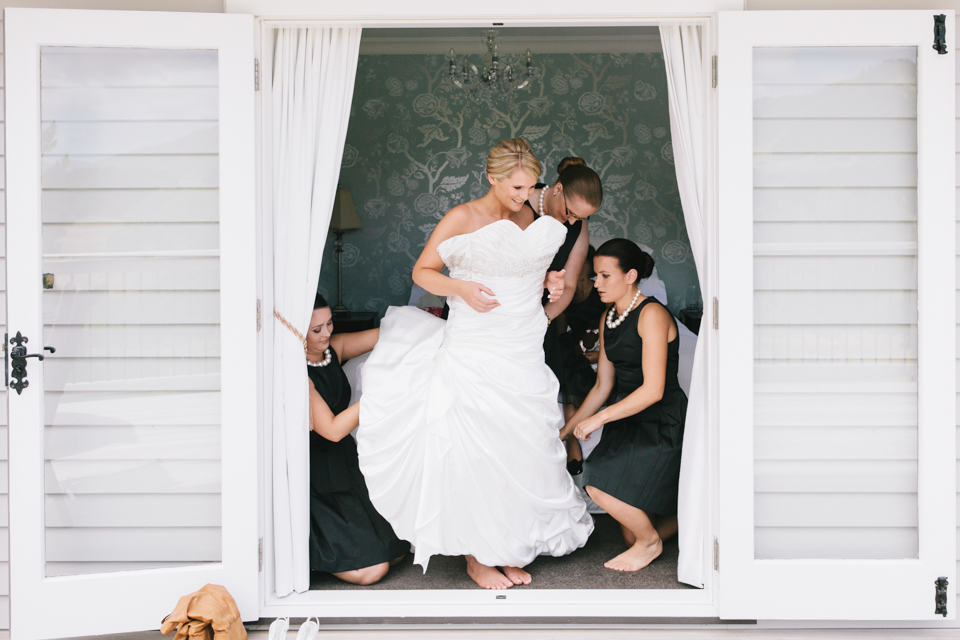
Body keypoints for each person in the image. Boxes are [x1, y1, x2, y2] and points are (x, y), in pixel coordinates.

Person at [357, 138, 594, 590]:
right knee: (475, 447)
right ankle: (475, 558)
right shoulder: (462, 217)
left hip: (522, 345)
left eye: (529, 188)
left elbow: (522, 268)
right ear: (493, 178)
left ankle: (505, 546)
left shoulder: (529, 215)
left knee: (517, 448)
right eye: (517, 187)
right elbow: (422, 272)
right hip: (476, 346)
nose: (524, 197)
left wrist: (547, 278)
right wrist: (462, 289)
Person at [560, 239, 687, 572]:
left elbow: (653, 390)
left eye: (604, 276)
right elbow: (603, 386)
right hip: (626, 420)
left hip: (661, 421)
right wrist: (566, 430)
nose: (595, 283)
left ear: (630, 275)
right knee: (630, 533)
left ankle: (651, 543)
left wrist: (599, 420)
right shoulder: (609, 317)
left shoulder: (652, 314)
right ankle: (688, 517)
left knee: (596, 480)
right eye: (594, 276)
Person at [305, 294, 409, 585]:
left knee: (397, 553)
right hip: (317, 473)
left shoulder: (332, 349)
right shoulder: (297, 373)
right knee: (372, 570)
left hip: (347, 462)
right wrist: (380, 395)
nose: (327, 333)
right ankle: (308, 557)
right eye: (317, 330)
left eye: (329, 324)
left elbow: (389, 335)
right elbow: (333, 430)